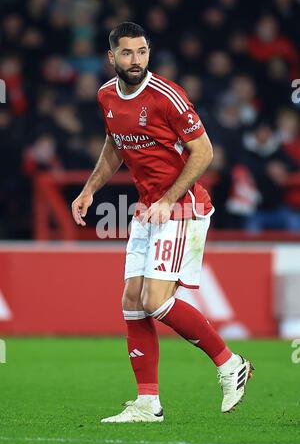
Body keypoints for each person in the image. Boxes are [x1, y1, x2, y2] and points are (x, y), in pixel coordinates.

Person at [71, 22, 254, 423]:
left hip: (183, 207)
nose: (136, 61)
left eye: (142, 52)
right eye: (127, 53)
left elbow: (204, 152)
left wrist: (170, 200)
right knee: (132, 303)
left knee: (154, 301)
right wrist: (88, 191)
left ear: (148, 53)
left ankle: (230, 363)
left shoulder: (166, 95)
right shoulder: (105, 95)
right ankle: (148, 403)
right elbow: (113, 146)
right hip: (147, 208)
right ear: (112, 57)